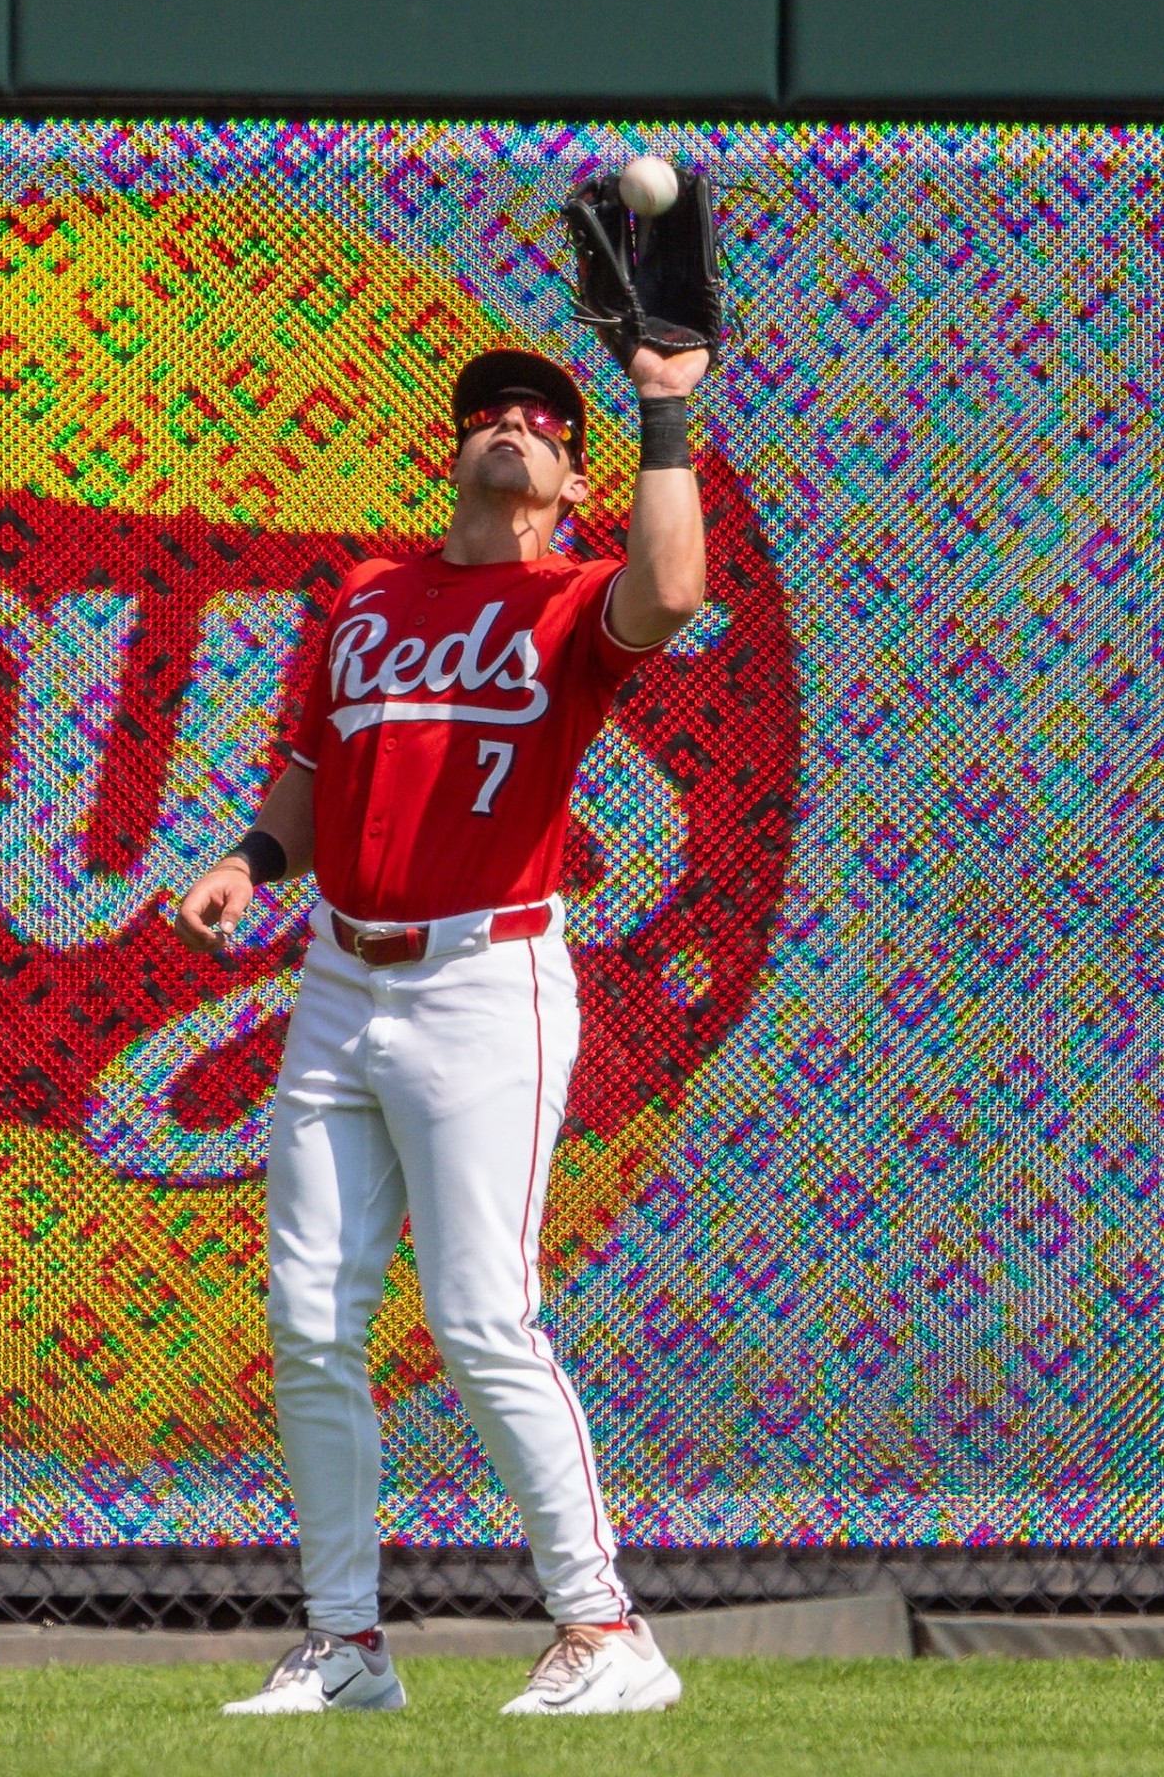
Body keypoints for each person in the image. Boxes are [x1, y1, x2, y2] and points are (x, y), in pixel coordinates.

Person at [175, 336, 708, 1716]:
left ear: (571, 480)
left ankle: (606, 1632)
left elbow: (676, 588)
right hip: (339, 983)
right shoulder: (368, 592)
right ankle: (347, 1645)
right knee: (307, 1320)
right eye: (489, 415)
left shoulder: (572, 596)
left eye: (539, 421)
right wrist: (251, 859)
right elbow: (311, 764)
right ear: (455, 450)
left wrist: (662, 414)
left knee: (480, 1317)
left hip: (489, 981)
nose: (511, 428)